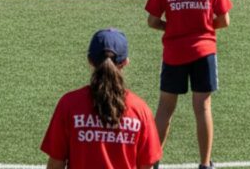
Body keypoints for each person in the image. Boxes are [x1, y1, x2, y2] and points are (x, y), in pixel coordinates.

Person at [145, 0, 232, 169]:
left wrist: (172, 28)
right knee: (203, 107)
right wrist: (203, 27)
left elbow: (152, 21)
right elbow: (224, 20)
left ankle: (152, 162)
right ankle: (205, 164)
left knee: (165, 108)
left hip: (174, 52)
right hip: (204, 52)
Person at [41, 28, 162, 169]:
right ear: (125, 62)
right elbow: (146, 165)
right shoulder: (140, 110)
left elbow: (56, 163)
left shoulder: (69, 104)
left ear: (90, 60)